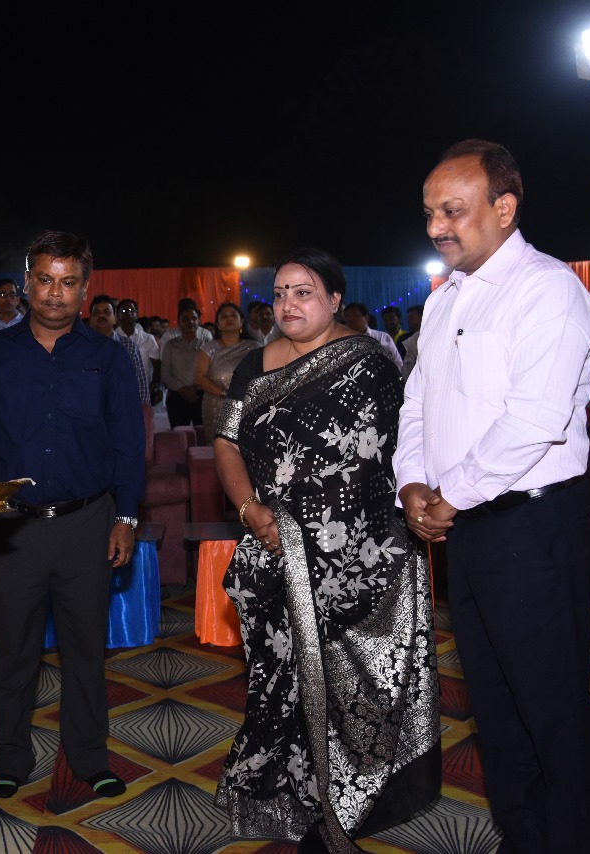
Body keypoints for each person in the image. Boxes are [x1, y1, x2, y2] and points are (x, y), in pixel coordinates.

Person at [395, 139, 590, 851]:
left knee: (551, 708)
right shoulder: (445, 297)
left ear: (505, 208)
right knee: (494, 705)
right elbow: (418, 402)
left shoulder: (548, 290)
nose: (436, 227)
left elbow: (534, 421)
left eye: (453, 210)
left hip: (533, 526)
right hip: (467, 525)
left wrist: (449, 494)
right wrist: (412, 480)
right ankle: (523, 838)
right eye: (429, 213)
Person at [212, 248, 440, 850]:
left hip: (356, 555)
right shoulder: (256, 363)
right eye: (280, 292)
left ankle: (353, 798)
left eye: (303, 292)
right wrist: (249, 509)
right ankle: (287, 793)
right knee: (278, 676)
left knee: (350, 679)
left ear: (335, 300)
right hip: (273, 546)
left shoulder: (369, 362)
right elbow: (227, 443)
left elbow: (397, 454)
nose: (287, 304)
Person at [0, 230, 145, 802]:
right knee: (13, 651)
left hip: (87, 524)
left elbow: (128, 444)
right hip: (12, 527)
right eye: (44, 280)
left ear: (85, 288)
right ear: (27, 282)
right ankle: (12, 757)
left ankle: (89, 757)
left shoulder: (108, 358)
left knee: (85, 650)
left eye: (68, 282)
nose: (55, 293)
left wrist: (126, 518)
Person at [194, 301, 260, 429]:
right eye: (224, 316)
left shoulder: (255, 347)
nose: (229, 318)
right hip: (216, 407)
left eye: (233, 315)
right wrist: (227, 394)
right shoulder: (208, 349)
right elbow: (200, 378)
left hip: (249, 405)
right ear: (218, 324)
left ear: (241, 322)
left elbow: (263, 376)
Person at [88, 294, 149, 405]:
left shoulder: (129, 347)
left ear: (115, 318)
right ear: (90, 319)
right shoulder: (81, 348)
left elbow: (140, 386)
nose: (101, 316)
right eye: (96, 313)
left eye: (106, 312)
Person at [161, 304, 206, 427]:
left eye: (193, 318)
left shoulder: (207, 344)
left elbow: (210, 372)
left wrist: (195, 389)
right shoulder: (171, 345)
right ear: (179, 323)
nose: (190, 322)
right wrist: (182, 390)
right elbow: (165, 373)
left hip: (201, 397)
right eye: (185, 319)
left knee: (203, 434)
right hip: (177, 397)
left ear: (199, 321)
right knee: (179, 434)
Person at [117, 298, 162, 404]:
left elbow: (157, 365)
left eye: (131, 310)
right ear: (117, 316)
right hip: (118, 392)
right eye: (124, 311)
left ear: (136, 314)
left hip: (143, 392)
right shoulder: (113, 338)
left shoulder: (148, 338)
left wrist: (154, 384)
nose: (128, 313)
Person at [342, 302, 403, 371]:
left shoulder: (382, 337)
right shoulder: (344, 342)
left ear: (366, 318)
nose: (351, 319)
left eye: (354, 315)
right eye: (347, 316)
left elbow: (398, 362)